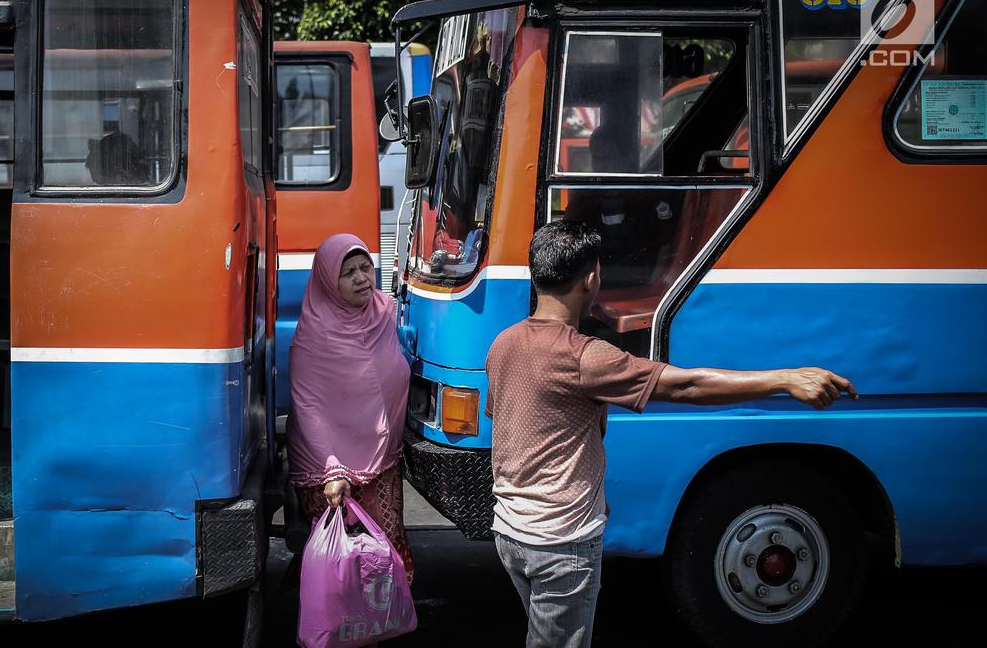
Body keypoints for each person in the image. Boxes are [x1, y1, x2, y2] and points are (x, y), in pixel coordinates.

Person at [485, 220, 857, 648]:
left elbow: (511, 425)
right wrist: (785, 379)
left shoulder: (503, 344)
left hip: (511, 533)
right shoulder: (584, 356)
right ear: (590, 279)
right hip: (560, 542)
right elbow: (686, 385)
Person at [287, 233, 414, 581]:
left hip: (383, 463)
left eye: (365, 267)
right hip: (333, 473)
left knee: (383, 560)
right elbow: (307, 407)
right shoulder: (313, 337)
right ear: (329, 281)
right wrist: (333, 470)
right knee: (343, 570)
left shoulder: (386, 311)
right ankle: (344, 632)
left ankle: (379, 626)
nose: (362, 277)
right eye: (348, 273)